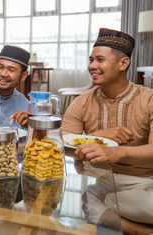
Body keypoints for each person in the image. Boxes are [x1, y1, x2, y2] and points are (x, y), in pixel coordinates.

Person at [62, 28, 153, 235]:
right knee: (82, 199)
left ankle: (107, 213)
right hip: (101, 180)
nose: (92, 66)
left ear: (123, 64)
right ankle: (142, 231)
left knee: (91, 202)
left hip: (147, 182)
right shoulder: (82, 103)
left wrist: (117, 152)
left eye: (100, 60)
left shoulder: (149, 99)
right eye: (91, 60)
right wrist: (100, 137)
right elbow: (65, 144)